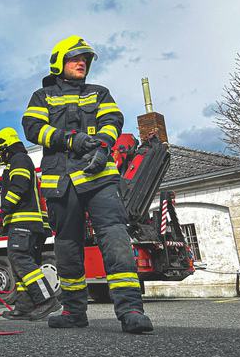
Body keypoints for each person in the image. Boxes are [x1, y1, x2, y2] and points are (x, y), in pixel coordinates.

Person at [21, 36, 153, 334]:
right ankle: (74, 312)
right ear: (59, 62)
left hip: (99, 178)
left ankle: (131, 310)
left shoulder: (99, 92)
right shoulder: (42, 96)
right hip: (61, 182)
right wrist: (70, 140)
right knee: (67, 248)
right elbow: (32, 127)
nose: (82, 62)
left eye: (86, 59)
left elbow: (113, 120)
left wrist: (103, 147)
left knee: (115, 238)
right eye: (75, 58)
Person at [0, 127, 61, 321]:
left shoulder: (18, 160)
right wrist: (1, 213)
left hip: (23, 223)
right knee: (20, 263)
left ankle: (47, 300)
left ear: (6, 148)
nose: (0, 156)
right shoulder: (19, 161)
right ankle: (24, 306)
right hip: (25, 224)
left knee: (21, 260)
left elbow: (19, 186)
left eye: (0, 152)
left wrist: (3, 209)